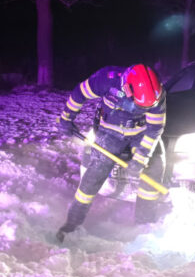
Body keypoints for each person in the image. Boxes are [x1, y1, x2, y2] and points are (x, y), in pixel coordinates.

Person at [55, 64, 166, 243]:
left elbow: (154, 129)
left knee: (154, 168)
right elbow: (79, 94)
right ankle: (72, 224)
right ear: (127, 89)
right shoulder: (106, 80)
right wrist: (67, 118)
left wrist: (140, 159)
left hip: (141, 133)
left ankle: (145, 226)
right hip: (110, 133)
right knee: (94, 175)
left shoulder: (156, 94)